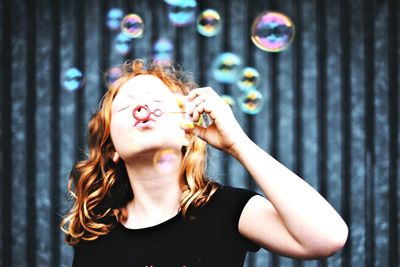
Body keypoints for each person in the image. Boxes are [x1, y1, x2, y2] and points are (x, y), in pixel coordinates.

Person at [61, 59, 348, 267]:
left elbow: (328, 237)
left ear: (186, 133)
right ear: (112, 149)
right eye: (126, 106)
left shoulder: (227, 209)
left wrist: (238, 144)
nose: (142, 108)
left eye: (158, 101)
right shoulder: (95, 236)